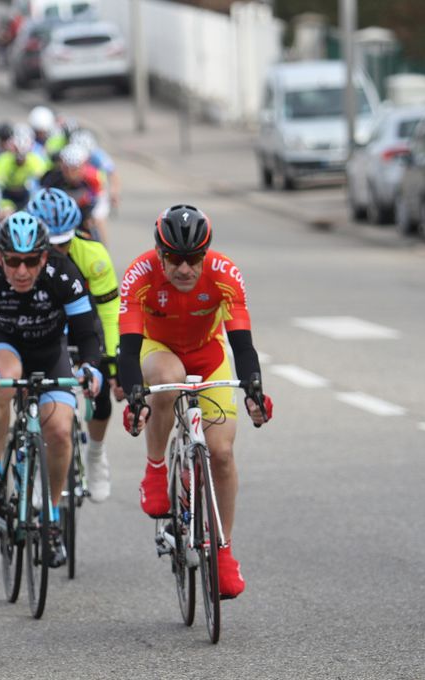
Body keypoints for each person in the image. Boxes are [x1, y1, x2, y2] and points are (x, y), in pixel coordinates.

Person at [118, 204, 273, 599]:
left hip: (208, 353)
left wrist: (254, 389)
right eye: (174, 259)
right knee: (167, 379)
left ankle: (222, 552)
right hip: (158, 348)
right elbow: (128, 346)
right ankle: (156, 470)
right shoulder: (139, 275)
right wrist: (135, 396)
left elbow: (242, 343)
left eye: (193, 259)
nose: (185, 269)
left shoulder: (224, 274)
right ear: (159, 253)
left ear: (206, 254)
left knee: (221, 454)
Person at [0, 212, 102, 567]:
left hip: (50, 352)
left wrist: (91, 367)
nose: (21, 271)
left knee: (60, 432)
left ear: (44, 256)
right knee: (5, 376)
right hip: (3, 344)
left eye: (30, 262)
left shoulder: (64, 272)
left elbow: (87, 334)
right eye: (13, 261)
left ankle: (51, 516)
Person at [26, 188, 117, 502]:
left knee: (101, 386)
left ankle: (95, 454)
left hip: (83, 324)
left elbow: (108, 312)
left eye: (64, 243)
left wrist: (113, 362)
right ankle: (35, 455)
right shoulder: (24, 258)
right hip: (42, 324)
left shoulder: (93, 255)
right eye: (51, 245)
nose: (59, 251)